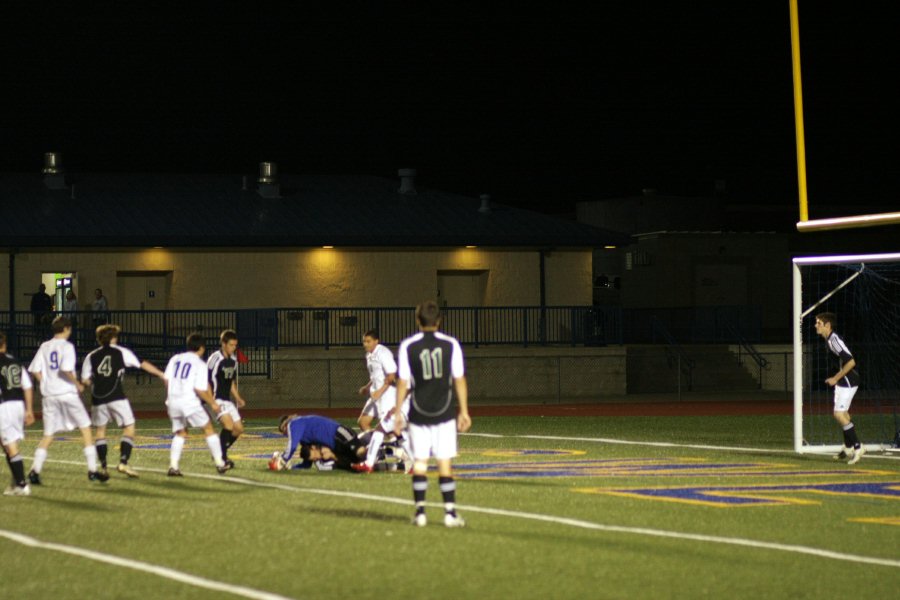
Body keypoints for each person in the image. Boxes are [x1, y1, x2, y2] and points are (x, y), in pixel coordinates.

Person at [394, 300, 471, 527]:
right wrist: (464, 411)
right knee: (444, 463)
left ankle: (420, 513)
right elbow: (459, 378)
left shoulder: (408, 345)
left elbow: (402, 382)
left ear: (418, 320)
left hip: (418, 412)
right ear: (439, 320)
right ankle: (450, 514)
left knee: (420, 463)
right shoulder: (451, 344)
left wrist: (398, 412)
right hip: (444, 412)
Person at [26, 316, 109, 483]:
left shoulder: (44, 346)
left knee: (48, 434)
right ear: (65, 329)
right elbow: (65, 369)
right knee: (85, 427)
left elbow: (34, 369)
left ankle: (34, 471)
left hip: (49, 395)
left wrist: (46, 382)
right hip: (66, 394)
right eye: (69, 329)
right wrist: (77, 383)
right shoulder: (67, 346)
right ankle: (92, 470)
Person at [81, 324, 167, 477]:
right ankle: (123, 462)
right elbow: (142, 364)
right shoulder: (121, 352)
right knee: (129, 427)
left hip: (98, 397)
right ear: (114, 338)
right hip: (116, 396)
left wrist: (87, 385)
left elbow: (86, 380)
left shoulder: (91, 356)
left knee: (100, 431)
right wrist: (161, 374)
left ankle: (104, 467)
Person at [164, 333, 231, 477]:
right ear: (201, 348)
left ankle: (173, 466)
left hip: (173, 401)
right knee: (208, 428)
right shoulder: (200, 364)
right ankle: (220, 463)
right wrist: (212, 403)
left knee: (181, 432)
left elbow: (166, 379)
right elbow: (200, 389)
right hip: (188, 401)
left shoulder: (175, 358)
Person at [352, 329, 412, 474]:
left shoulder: (383, 353)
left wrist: (380, 391)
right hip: (375, 395)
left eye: (368, 341)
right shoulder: (369, 355)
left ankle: (403, 455)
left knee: (389, 430)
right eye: (364, 341)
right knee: (363, 422)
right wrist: (367, 388)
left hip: (386, 396)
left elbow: (391, 375)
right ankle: (378, 449)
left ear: (376, 341)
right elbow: (375, 375)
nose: (365, 344)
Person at [815, 312, 865, 464]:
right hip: (842, 381)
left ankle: (858, 447)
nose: (815, 325)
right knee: (843, 414)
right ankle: (848, 447)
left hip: (848, 381)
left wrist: (835, 378)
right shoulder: (829, 340)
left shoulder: (834, 340)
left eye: (818, 323)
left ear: (827, 325)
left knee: (838, 414)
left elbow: (851, 362)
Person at [0, 332, 36, 496]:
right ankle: (16, 481)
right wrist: (29, 410)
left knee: (10, 446)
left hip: (4, 406)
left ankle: (22, 485)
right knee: (6, 444)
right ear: (4, 344)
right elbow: (27, 386)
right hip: (18, 405)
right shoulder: (15, 362)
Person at [207, 329, 248, 468]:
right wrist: (210, 401)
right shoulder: (215, 359)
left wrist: (238, 398)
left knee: (238, 429)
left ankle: (218, 451)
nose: (233, 348)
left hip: (227, 400)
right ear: (223, 344)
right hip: (215, 398)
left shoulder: (234, 360)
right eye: (231, 345)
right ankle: (222, 459)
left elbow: (230, 381)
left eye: (235, 345)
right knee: (228, 425)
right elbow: (206, 380)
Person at [277, 414, 366, 470]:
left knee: (360, 452)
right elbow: (306, 464)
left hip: (339, 433)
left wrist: (282, 460)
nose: (286, 434)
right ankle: (375, 461)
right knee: (354, 464)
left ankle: (375, 453)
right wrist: (291, 468)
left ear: (286, 424)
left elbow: (292, 447)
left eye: (284, 430)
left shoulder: (294, 423)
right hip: (335, 446)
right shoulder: (305, 439)